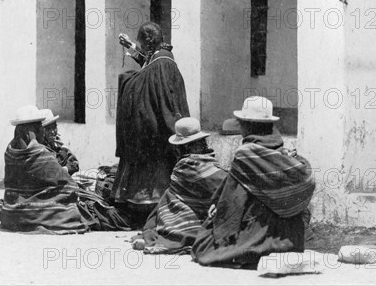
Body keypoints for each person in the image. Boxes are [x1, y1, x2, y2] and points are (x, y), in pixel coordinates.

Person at [191, 96, 315, 269]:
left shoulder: (246, 154)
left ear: (248, 125)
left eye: (241, 123)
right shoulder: (282, 153)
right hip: (291, 238)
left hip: (259, 232)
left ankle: (249, 250)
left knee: (203, 246)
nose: (240, 127)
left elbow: (233, 201)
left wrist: (219, 220)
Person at [0, 106, 131, 233]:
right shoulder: (39, 153)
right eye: (39, 126)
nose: (43, 130)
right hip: (36, 212)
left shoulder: (11, 152)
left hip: (12, 210)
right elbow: (69, 186)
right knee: (103, 212)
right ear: (30, 130)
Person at [113, 22, 190, 223]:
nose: (140, 47)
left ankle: (148, 208)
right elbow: (149, 70)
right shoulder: (160, 59)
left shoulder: (164, 63)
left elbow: (155, 84)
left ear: (148, 41)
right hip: (154, 124)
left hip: (157, 127)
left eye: (141, 43)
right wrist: (131, 48)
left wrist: (128, 82)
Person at [131, 117, 227, 254]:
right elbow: (223, 183)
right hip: (203, 212)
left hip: (194, 212)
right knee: (169, 195)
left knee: (169, 196)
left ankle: (162, 233)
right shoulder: (204, 163)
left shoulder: (184, 165)